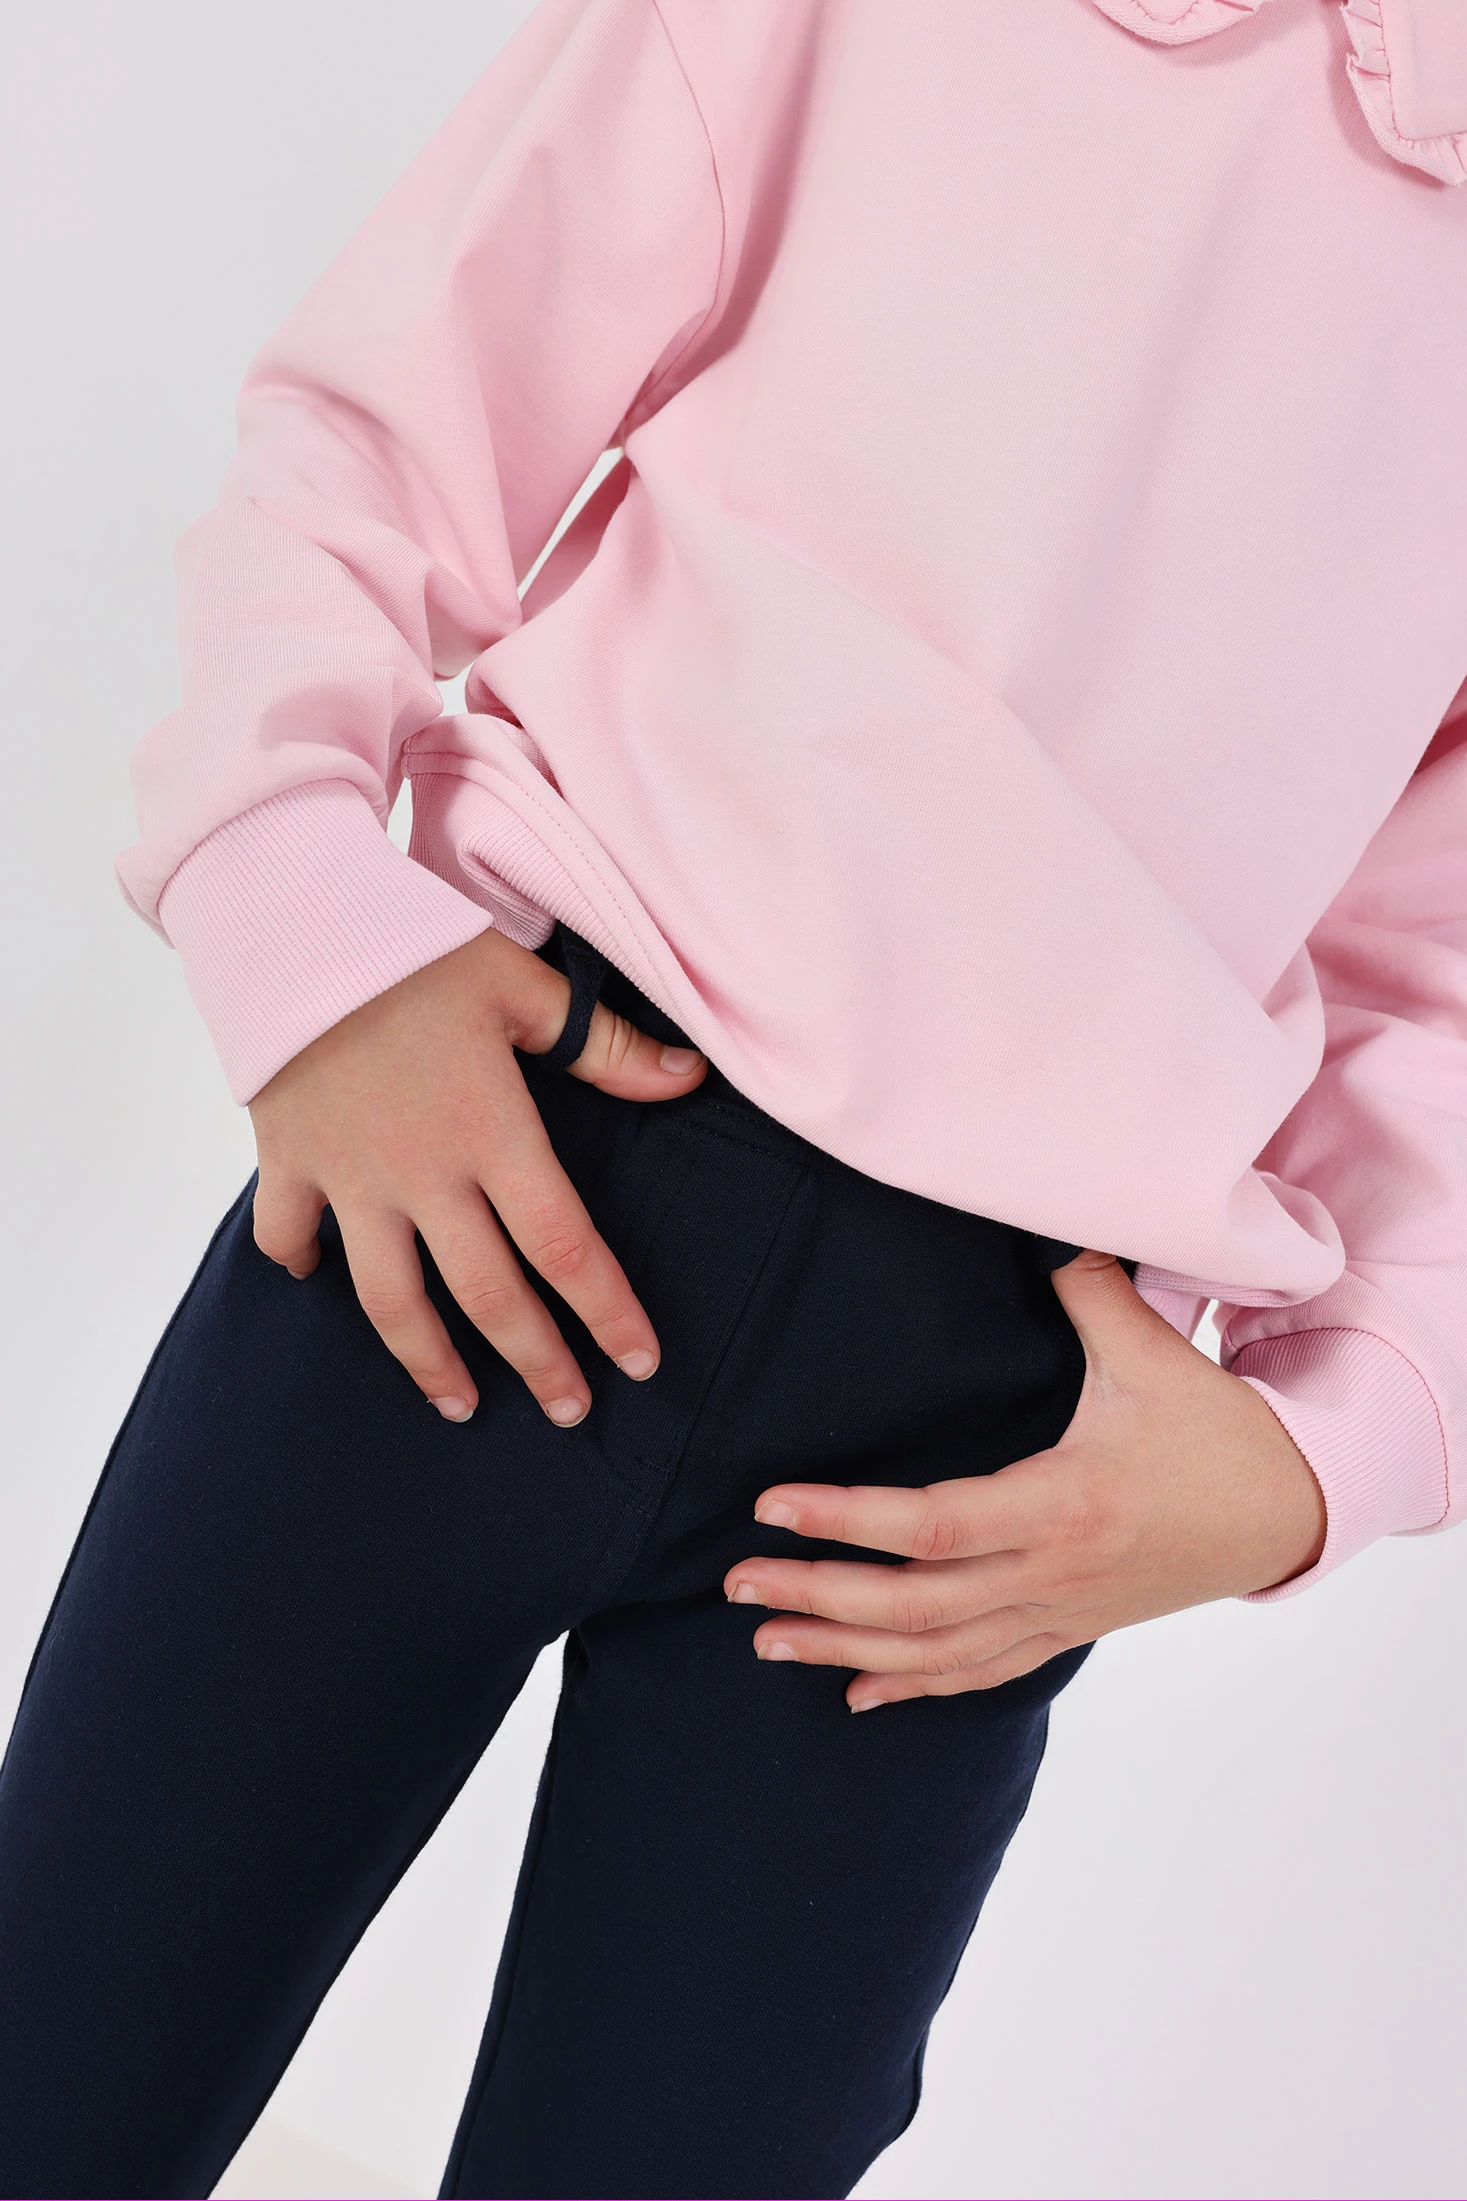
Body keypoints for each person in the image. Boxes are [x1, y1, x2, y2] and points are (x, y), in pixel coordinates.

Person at [1, 0, 1464, 2194]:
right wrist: (291, 906)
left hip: (975, 1442)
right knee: (60, 2059)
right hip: (491, 1164)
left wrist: (1327, 1451)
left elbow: (1438, 957)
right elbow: (390, 427)